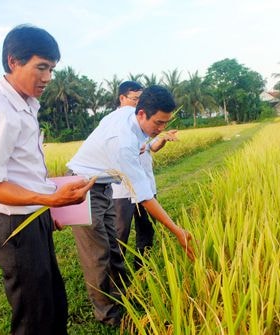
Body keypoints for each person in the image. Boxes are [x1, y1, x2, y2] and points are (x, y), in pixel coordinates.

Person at [0, 24, 95, 335]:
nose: (48, 77)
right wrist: (51, 200)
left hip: (33, 217)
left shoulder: (24, 106)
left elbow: (23, 171)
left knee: (53, 307)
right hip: (14, 227)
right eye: (41, 67)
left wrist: (51, 209)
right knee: (34, 320)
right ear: (13, 61)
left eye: (51, 68)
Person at [66, 85, 194, 327]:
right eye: (158, 123)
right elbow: (144, 196)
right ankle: (109, 316)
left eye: (165, 123)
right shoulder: (123, 141)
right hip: (80, 190)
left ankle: (123, 297)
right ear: (141, 113)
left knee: (113, 245)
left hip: (102, 186)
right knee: (97, 254)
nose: (161, 129)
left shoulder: (129, 114)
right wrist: (177, 231)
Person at [111, 81, 178, 270]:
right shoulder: (117, 123)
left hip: (145, 184)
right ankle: (118, 279)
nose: (138, 103)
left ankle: (143, 269)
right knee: (120, 234)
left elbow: (151, 148)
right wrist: (176, 230)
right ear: (122, 98)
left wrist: (162, 138)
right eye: (134, 99)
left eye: (140, 99)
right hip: (122, 190)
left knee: (147, 229)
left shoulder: (143, 122)